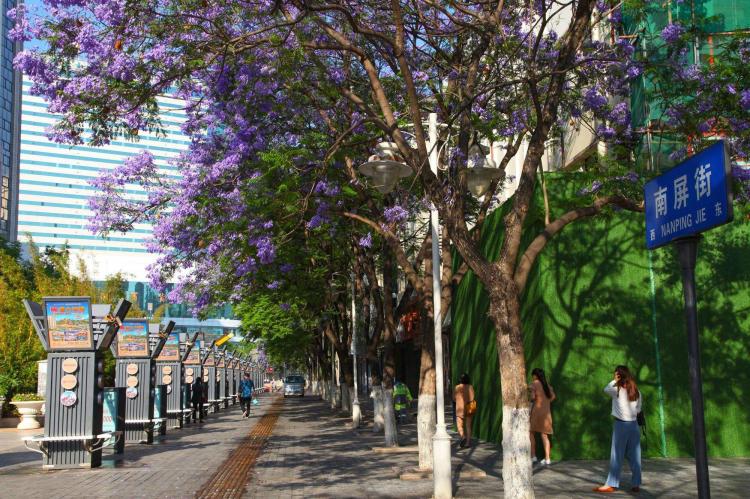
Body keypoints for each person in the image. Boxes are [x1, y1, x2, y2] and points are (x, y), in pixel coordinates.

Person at [594, 365, 643, 494]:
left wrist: (614, 381)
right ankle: (636, 484)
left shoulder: (617, 390)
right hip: (634, 426)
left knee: (617, 455)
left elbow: (606, 389)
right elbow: (638, 410)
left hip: (621, 425)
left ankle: (611, 484)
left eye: (616, 374)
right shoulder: (636, 391)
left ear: (619, 375)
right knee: (635, 456)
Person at [529, 367, 556, 465]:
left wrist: (532, 395)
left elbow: (532, 397)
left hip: (537, 412)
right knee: (544, 435)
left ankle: (533, 456)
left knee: (531, 432)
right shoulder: (547, 385)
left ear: (535, 375)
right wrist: (546, 402)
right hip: (546, 413)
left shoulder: (534, 384)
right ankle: (548, 458)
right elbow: (553, 397)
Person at [453, 373, 475, 448]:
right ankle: (468, 443)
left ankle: (463, 437)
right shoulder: (470, 387)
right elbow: (472, 398)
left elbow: (453, 398)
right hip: (469, 408)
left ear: (460, 379)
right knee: (468, 426)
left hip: (460, 409)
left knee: (459, 425)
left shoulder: (457, 387)